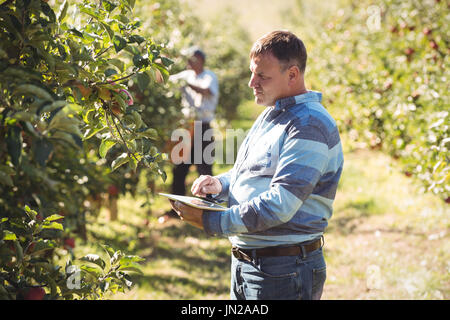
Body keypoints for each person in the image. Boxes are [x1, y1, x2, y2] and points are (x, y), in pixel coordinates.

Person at [169, 30, 344, 300]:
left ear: (293, 75)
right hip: (250, 263)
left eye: (262, 76)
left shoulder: (308, 125)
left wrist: (213, 221)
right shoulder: (272, 116)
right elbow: (248, 172)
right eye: (253, 72)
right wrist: (221, 184)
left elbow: (280, 203)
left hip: (283, 270)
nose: (252, 82)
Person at [161, 47, 219, 222]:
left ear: (200, 60)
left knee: (204, 168)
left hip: (202, 126)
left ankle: (210, 210)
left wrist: (186, 85)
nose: (189, 63)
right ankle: (176, 208)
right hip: (187, 127)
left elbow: (206, 91)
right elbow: (166, 80)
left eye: (193, 60)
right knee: (179, 168)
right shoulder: (186, 75)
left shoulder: (209, 76)